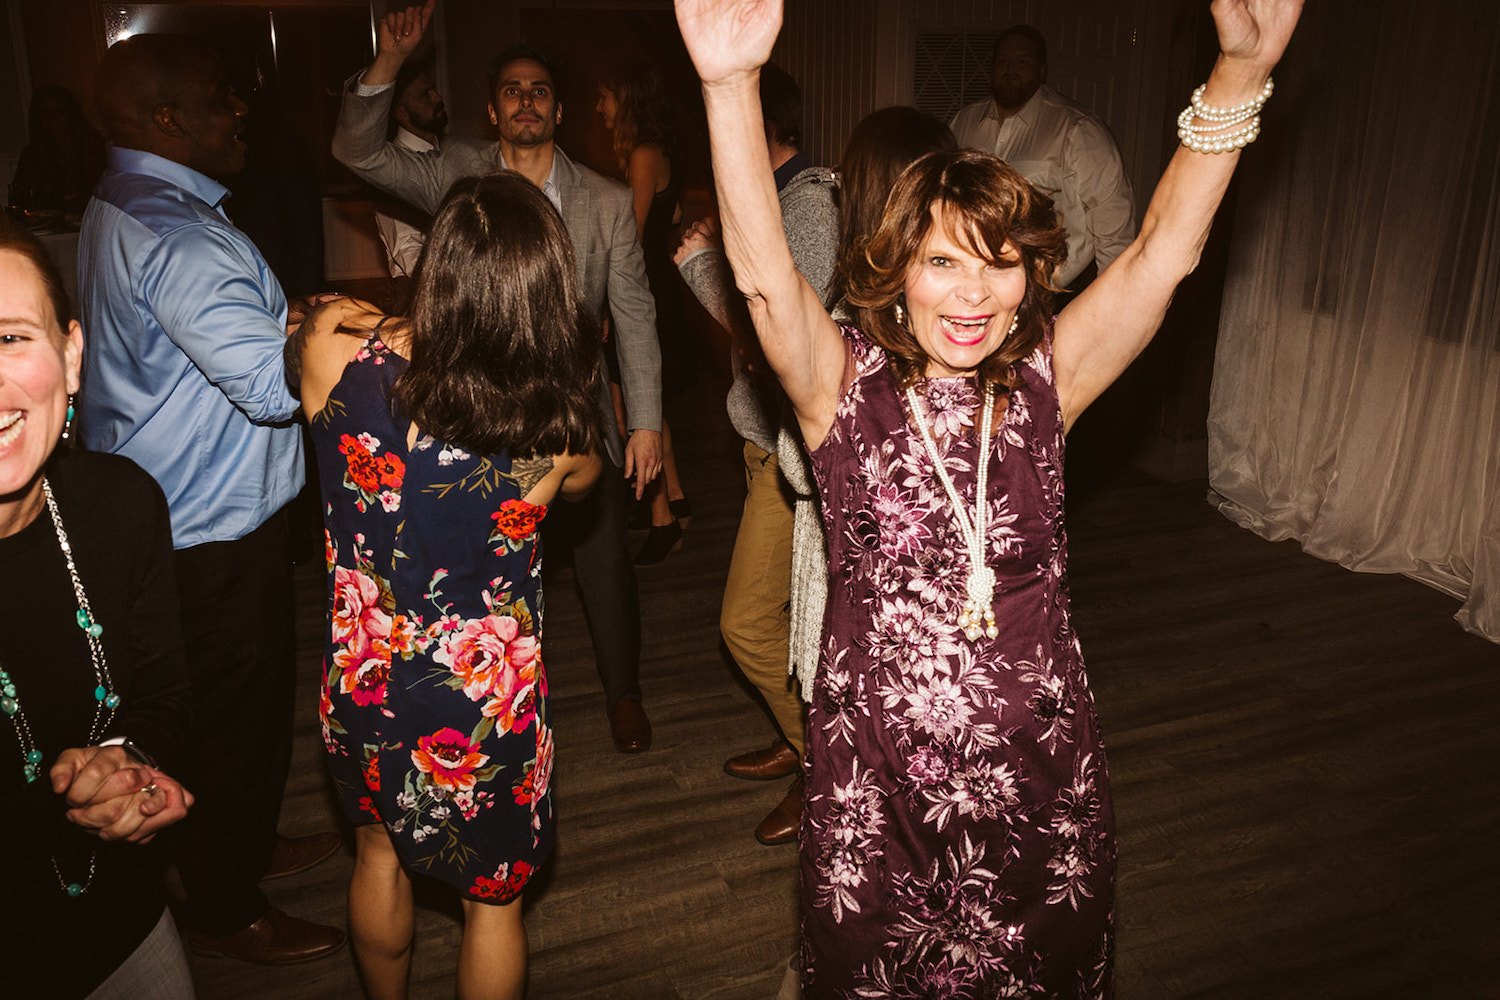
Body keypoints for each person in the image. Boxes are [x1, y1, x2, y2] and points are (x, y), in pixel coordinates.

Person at [676, 0, 1302, 993]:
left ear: (1030, 271)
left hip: (1037, 794)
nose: (974, 294)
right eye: (942, 262)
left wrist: (1236, 74)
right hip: (875, 799)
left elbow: (1159, 257)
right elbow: (760, 284)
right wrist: (729, 86)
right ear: (898, 270)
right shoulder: (841, 387)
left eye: (1000, 262)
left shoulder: (1050, 380)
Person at [293, 171, 601, 1000]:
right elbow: (586, 485)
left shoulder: (331, 349)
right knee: (492, 901)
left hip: (363, 674)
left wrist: (375, 321)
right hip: (481, 695)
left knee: (378, 855)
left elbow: (322, 323)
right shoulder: (556, 429)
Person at [77, 33, 345, 964]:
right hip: (212, 530)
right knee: (238, 716)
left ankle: (236, 844)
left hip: (169, 514)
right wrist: (333, 327)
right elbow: (277, 387)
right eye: (222, 97)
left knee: (220, 715)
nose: (240, 113)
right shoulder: (180, 234)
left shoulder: (128, 198)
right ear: (166, 120)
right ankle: (227, 907)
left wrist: (294, 321)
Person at [334, 1, 661, 753]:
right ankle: (495, 707)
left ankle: (625, 693)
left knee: (603, 555)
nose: (525, 100)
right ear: (492, 106)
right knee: (490, 569)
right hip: (473, 410)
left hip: (575, 410)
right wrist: (387, 61)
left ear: (557, 106)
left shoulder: (606, 201)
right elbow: (357, 153)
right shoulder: (455, 172)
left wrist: (645, 419)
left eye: (539, 89)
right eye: (512, 90)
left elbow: (635, 313)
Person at [0, 219, 195, 998]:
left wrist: (134, 770)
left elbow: (166, 701)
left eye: (11, 337)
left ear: (72, 357)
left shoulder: (121, 508)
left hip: (126, 924)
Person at [673, 60, 837, 845]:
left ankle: (825, 767)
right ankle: (797, 733)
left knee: (745, 623)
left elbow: (780, 341)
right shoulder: (771, 199)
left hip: (789, 452)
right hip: (757, 439)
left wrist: (699, 264)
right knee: (788, 611)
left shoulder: (807, 206)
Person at [595, 60, 694, 567]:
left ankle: (663, 520)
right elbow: (673, 218)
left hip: (638, 291)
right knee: (649, 406)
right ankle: (671, 499)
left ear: (627, 99)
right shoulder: (661, 152)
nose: (600, 107)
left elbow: (626, 241)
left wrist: (610, 305)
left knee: (634, 411)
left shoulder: (641, 155)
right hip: (658, 288)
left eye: (606, 96)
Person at [949, 24, 1136, 290]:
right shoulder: (963, 123)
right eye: (1003, 61)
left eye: (1022, 61)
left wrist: (1109, 298)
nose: (1010, 69)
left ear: (1042, 70)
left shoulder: (1077, 129)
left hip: (1050, 293)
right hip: (973, 290)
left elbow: (1114, 229)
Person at [374, 63, 447, 278]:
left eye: (434, 89)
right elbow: (408, 249)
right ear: (401, 113)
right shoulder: (390, 168)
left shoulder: (452, 154)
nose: (437, 98)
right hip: (425, 289)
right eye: (425, 95)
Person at [9, 85, 105, 215]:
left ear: (71, 114)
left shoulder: (93, 149)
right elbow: (21, 198)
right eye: (45, 112)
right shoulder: (32, 155)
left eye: (59, 111)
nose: (52, 118)